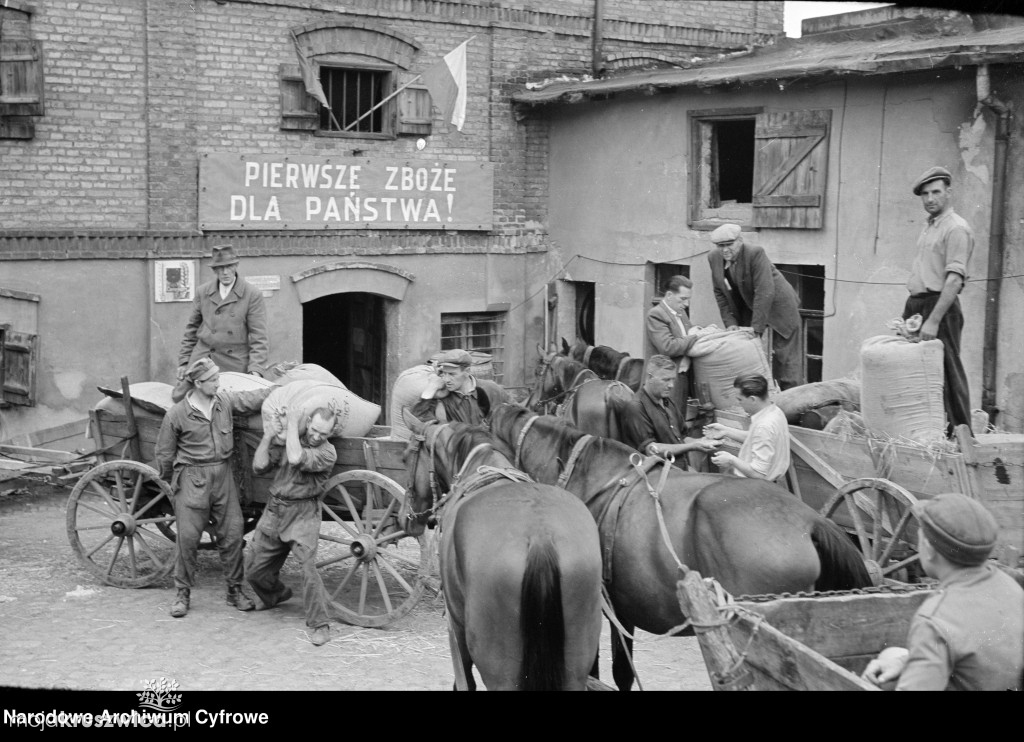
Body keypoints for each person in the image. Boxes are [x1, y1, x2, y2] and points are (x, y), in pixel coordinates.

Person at [861, 493, 1023, 691]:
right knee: (892, 655)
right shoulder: (1011, 586)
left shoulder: (935, 619)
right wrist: (906, 661)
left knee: (875, 678)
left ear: (928, 549)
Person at [154, 357, 273, 618]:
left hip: (223, 475)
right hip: (192, 477)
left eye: (218, 378)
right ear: (197, 383)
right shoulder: (177, 414)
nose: (218, 384)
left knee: (232, 533)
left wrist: (278, 390)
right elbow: (164, 453)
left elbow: (251, 399)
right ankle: (182, 593)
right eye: (212, 380)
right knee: (187, 538)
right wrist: (174, 483)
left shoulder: (224, 402)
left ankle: (235, 591)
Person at [247, 405, 338, 647]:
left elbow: (297, 458)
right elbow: (258, 466)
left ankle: (320, 624)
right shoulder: (291, 440)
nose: (318, 436)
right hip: (274, 510)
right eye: (315, 430)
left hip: (303, 514)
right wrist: (268, 436)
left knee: (308, 569)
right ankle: (274, 594)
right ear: (309, 423)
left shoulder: (328, 453)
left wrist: (292, 421)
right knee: (253, 571)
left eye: (324, 434)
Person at [904, 166, 974, 436]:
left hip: (939, 307)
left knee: (949, 370)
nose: (930, 199)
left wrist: (933, 320)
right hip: (917, 304)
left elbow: (954, 281)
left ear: (949, 193)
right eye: (925, 194)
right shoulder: (929, 225)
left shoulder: (956, 228)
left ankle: (962, 438)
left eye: (936, 192)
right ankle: (927, 434)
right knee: (915, 371)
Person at [707, 224, 803, 390]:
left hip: (780, 305)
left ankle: (793, 403)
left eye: (729, 244)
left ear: (740, 241)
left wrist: (756, 329)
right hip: (749, 305)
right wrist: (730, 323)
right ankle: (754, 396)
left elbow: (764, 291)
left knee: (786, 359)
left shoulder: (755, 253)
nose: (724, 250)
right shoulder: (713, 258)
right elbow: (720, 293)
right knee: (745, 350)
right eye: (720, 246)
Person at [175, 245, 269, 400]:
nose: (225, 272)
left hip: (233, 362)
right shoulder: (203, 292)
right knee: (181, 400)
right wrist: (184, 361)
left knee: (231, 407)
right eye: (220, 268)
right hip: (203, 359)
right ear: (215, 270)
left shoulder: (251, 294)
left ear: (236, 266)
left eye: (229, 267)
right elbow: (191, 330)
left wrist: (255, 370)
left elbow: (259, 337)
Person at [621, 355, 720, 470]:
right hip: (656, 476)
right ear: (649, 378)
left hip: (678, 470)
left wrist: (701, 441)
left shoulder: (667, 401)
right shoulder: (636, 407)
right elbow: (652, 450)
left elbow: (682, 438)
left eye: (673, 379)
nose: (671, 385)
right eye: (666, 380)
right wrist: (694, 446)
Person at [705, 373, 790, 482]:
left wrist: (731, 460)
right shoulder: (774, 411)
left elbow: (758, 474)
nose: (739, 404)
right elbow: (756, 438)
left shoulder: (764, 426)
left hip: (755, 486)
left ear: (753, 399)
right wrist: (725, 431)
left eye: (740, 399)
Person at [409, 348, 507, 425]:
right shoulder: (443, 397)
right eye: (444, 373)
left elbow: (518, 416)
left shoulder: (491, 389)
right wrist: (431, 388)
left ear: (467, 372)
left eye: (452, 374)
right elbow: (418, 420)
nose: (446, 379)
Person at [646, 275, 699, 414]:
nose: (686, 304)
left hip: (681, 378)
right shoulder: (656, 314)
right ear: (669, 295)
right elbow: (667, 347)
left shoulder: (681, 313)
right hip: (665, 381)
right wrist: (696, 336)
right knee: (667, 420)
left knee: (678, 419)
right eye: (683, 299)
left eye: (688, 299)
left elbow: (687, 338)